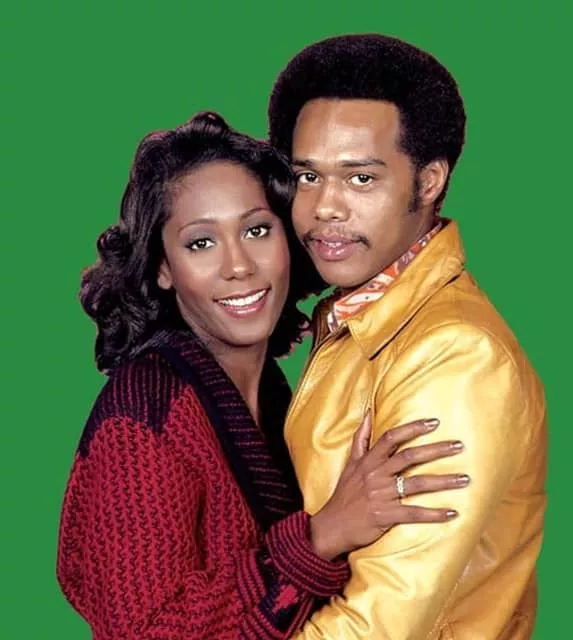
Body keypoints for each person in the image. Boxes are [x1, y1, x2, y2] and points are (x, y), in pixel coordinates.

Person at [56, 112, 470, 639]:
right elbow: (144, 631)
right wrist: (320, 538)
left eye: (256, 230)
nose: (239, 266)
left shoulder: (276, 393)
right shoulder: (144, 414)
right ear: (163, 268)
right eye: (201, 243)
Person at [267, 34, 548, 639]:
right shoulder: (360, 313)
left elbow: (380, 627)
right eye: (307, 176)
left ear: (428, 181)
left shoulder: (457, 357)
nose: (324, 207)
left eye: (360, 179)